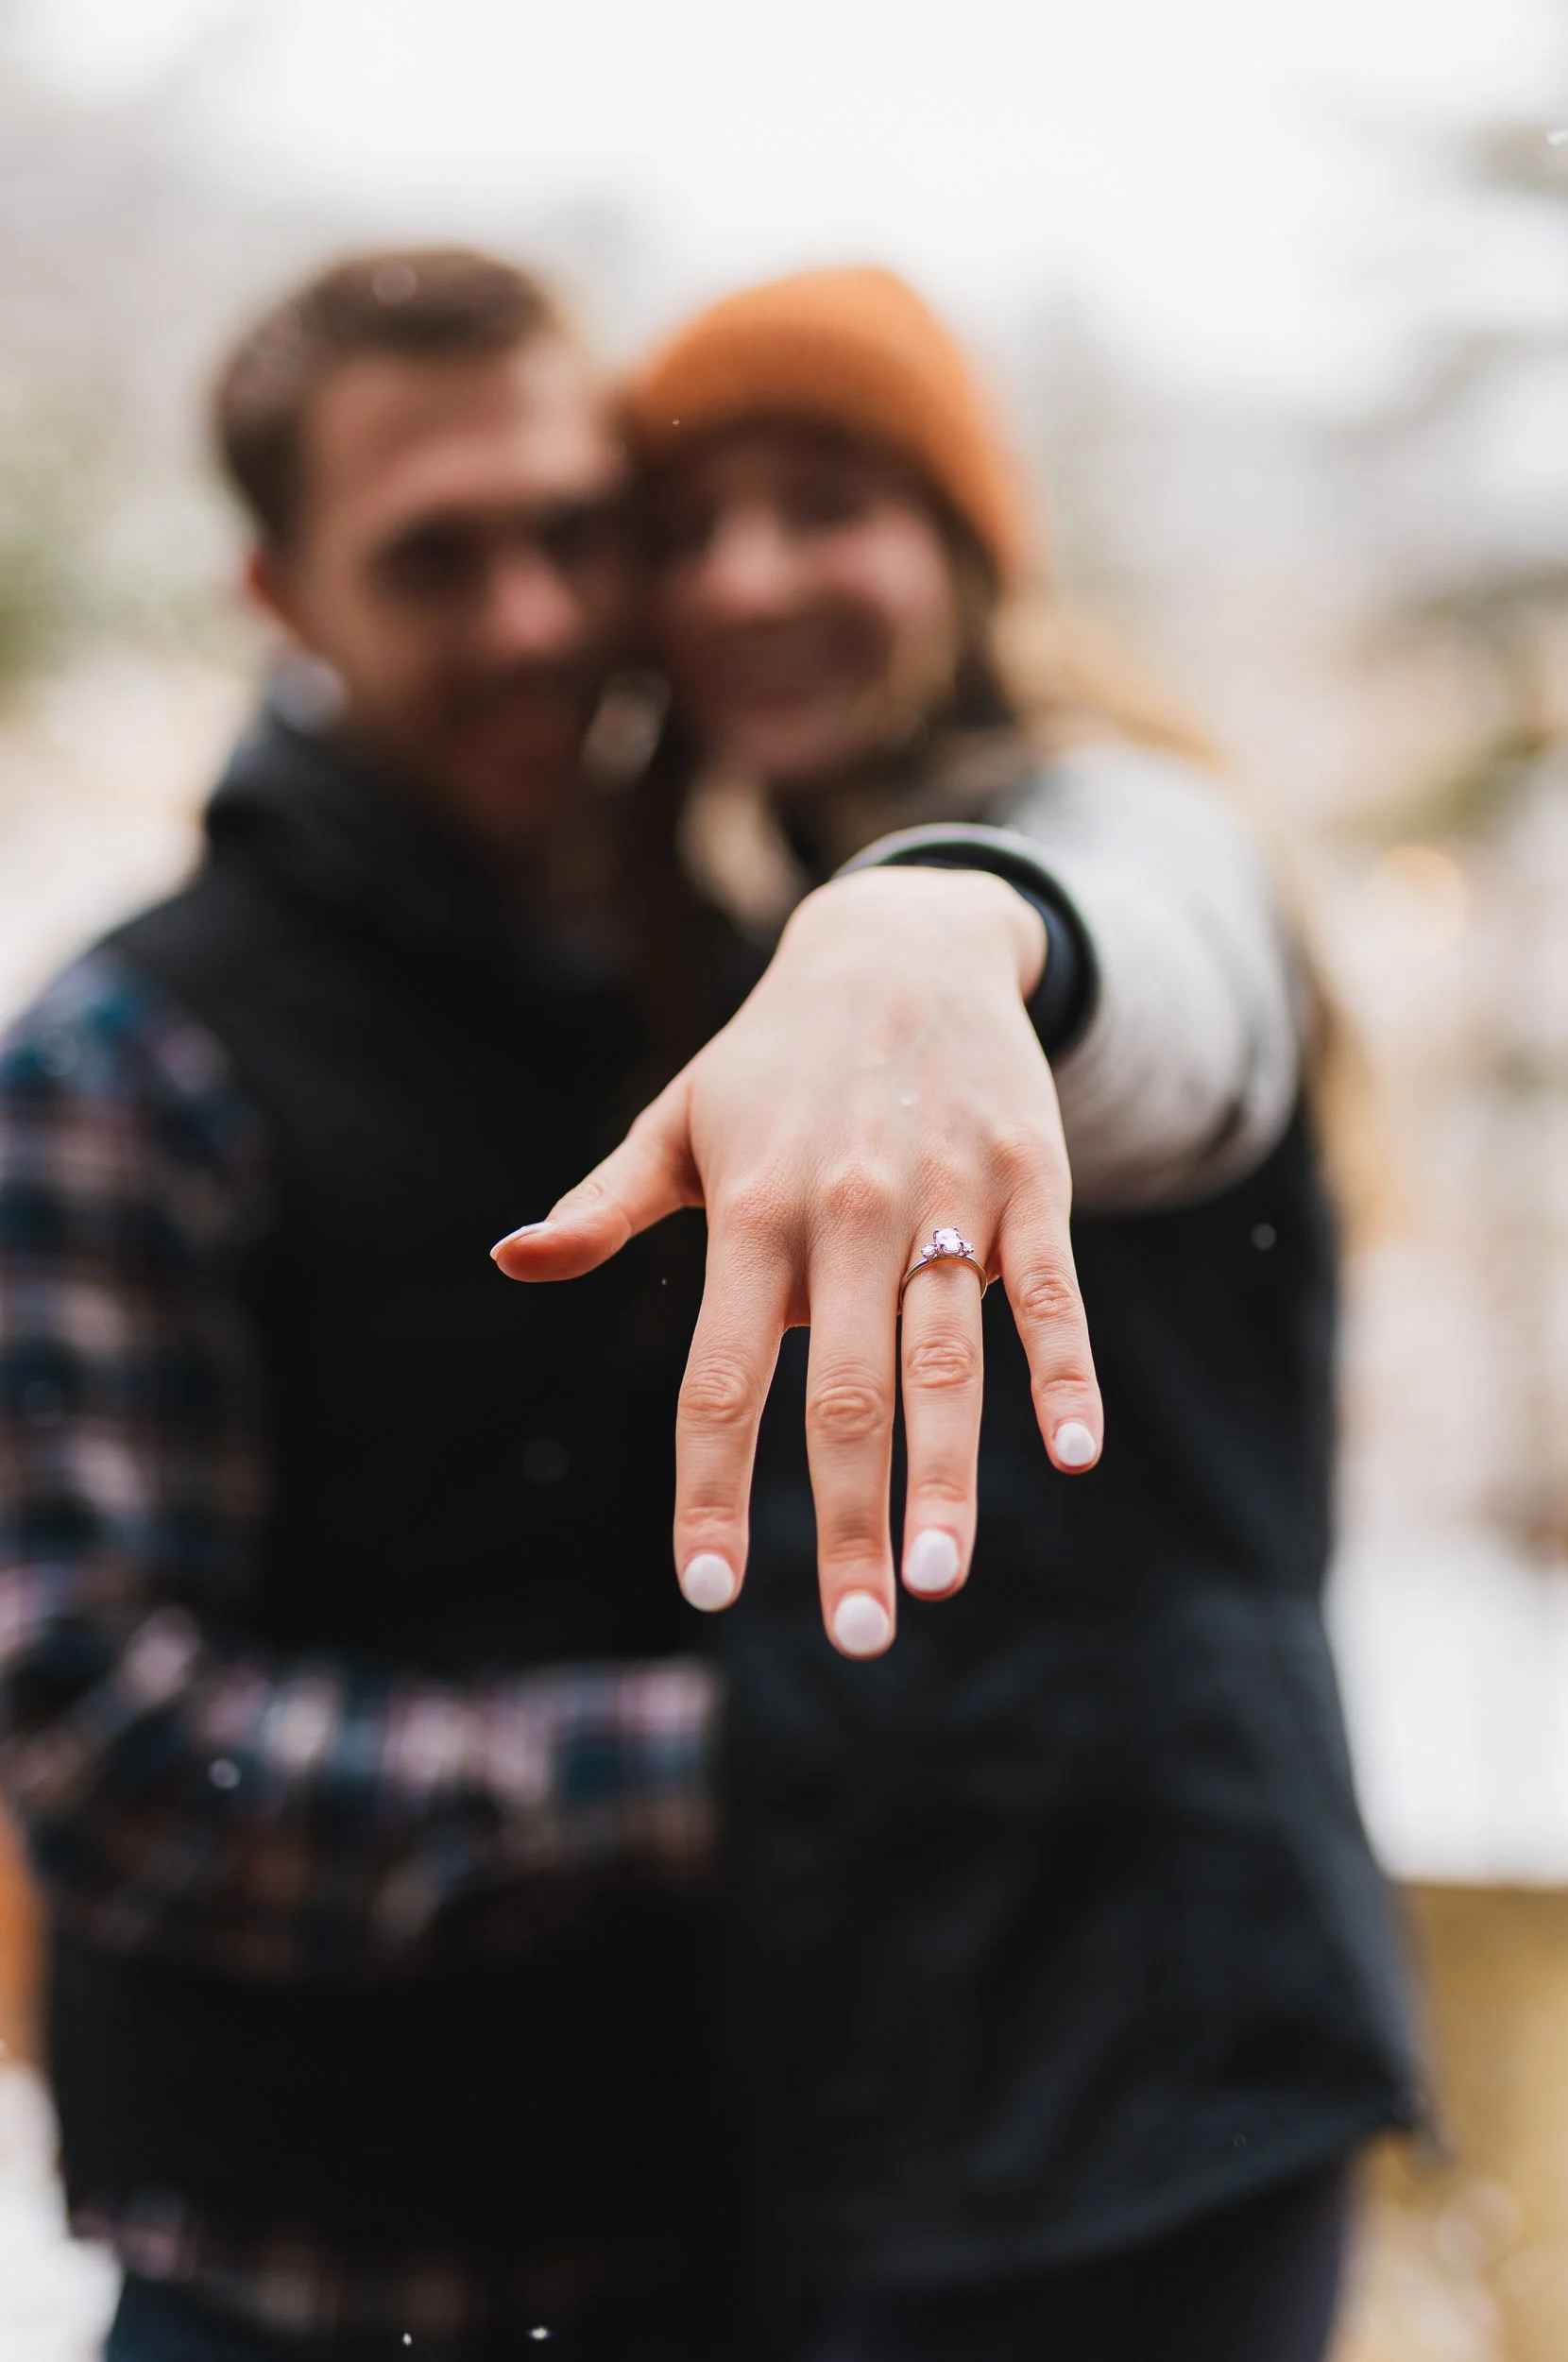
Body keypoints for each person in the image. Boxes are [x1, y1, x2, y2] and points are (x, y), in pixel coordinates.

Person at [493, 267, 1424, 2360]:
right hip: (853, 2085)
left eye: (825, 502)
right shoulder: (701, 933)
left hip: (1142, 2086)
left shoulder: (1104, 831)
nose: (748, 577)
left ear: (965, 548)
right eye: (692, 524)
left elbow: (1163, 985)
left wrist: (945, 926)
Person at [0, 248, 742, 2361]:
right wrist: (736, 1759)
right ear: (284, 600)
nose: (532, 621)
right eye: (434, 560)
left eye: (569, 535)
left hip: (714, 2240)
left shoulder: (679, 964)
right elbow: (107, 1740)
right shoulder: (125, 1060)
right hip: (306, 2294)